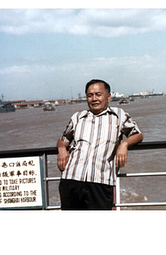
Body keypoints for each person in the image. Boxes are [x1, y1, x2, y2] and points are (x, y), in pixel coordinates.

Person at [57, 79, 143, 210]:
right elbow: (63, 140)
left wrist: (124, 144)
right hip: (71, 180)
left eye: (98, 94)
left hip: (100, 183)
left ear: (108, 97)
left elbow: (138, 135)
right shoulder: (78, 117)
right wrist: (62, 149)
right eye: (90, 95)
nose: (94, 99)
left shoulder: (118, 115)